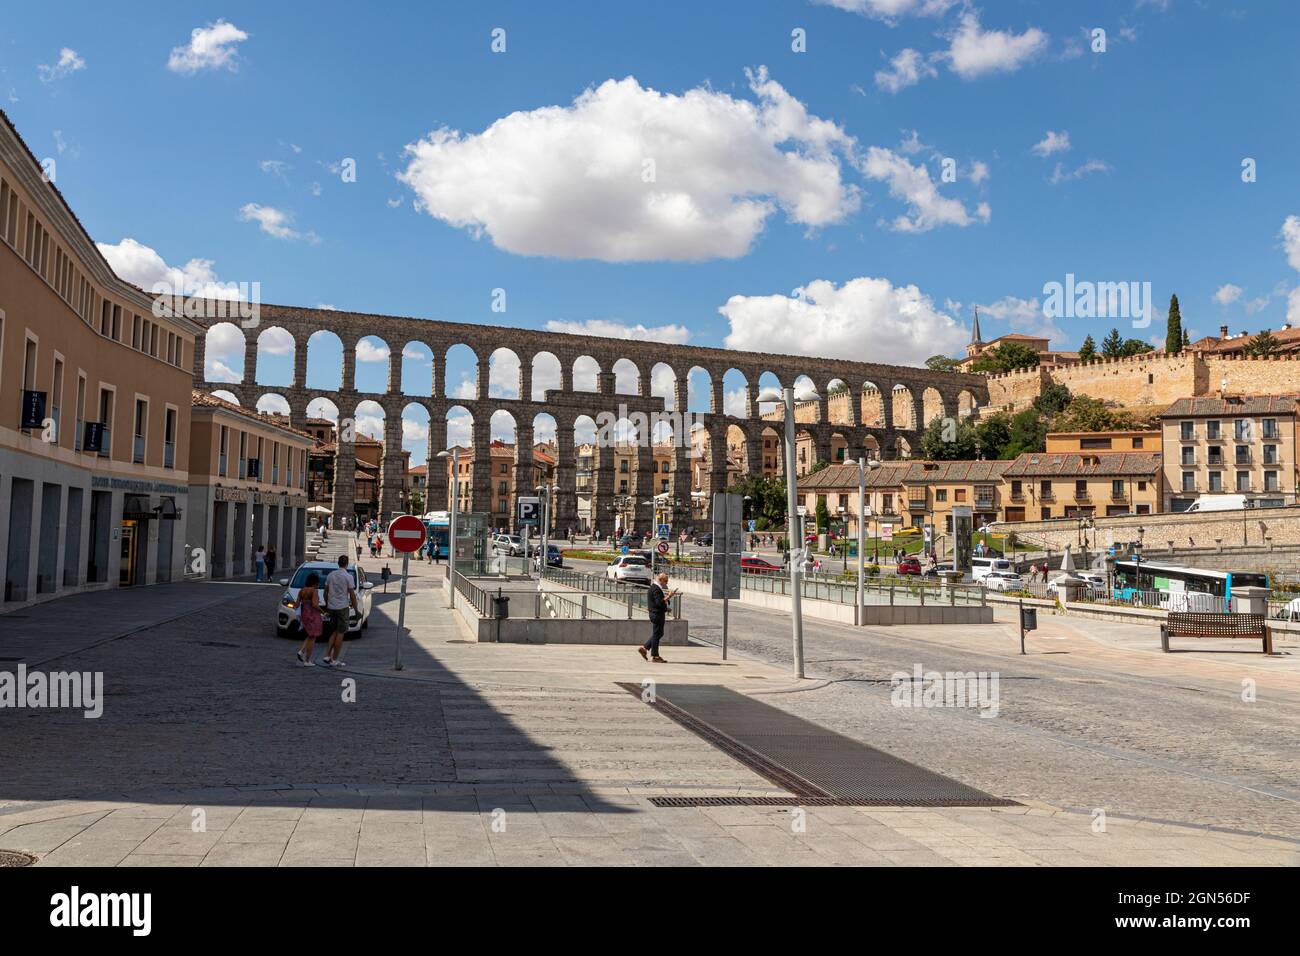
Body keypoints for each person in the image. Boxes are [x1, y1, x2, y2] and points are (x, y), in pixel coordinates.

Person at [322, 555, 358, 668]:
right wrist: (356, 609)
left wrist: (328, 605)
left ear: (338, 563)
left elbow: (325, 593)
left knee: (334, 631)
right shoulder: (348, 577)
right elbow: (352, 595)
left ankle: (327, 655)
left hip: (332, 607)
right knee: (341, 633)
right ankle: (335, 659)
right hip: (342, 607)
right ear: (346, 564)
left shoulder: (330, 575)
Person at [639, 571, 676, 663]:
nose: (667, 583)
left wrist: (666, 609)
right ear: (660, 580)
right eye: (666, 581)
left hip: (656, 613)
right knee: (657, 634)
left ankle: (645, 648)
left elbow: (657, 603)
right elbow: (659, 602)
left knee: (659, 633)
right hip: (657, 614)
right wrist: (669, 596)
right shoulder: (656, 589)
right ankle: (655, 656)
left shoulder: (654, 587)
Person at [296, 572, 324, 666]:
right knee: (313, 637)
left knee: (310, 635)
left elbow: (296, 605)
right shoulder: (314, 591)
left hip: (305, 614)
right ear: (315, 582)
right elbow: (315, 604)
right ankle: (307, 661)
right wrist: (323, 611)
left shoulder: (301, 590)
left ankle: (301, 651)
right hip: (313, 614)